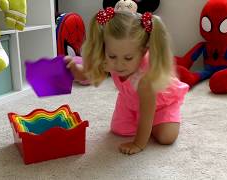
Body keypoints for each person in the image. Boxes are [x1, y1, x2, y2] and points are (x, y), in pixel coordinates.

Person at [65, 6, 189, 155]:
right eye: (112, 56)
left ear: (143, 51)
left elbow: (147, 112)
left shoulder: (145, 79)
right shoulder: (109, 57)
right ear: (105, 49)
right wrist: (73, 68)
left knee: (166, 137)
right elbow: (86, 75)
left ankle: (166, 116)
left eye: (128, 58)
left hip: (159, 104)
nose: (119, 64)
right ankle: (143, 123)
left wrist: (138, 144)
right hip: (129, 101)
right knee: (119, 130)